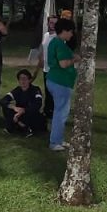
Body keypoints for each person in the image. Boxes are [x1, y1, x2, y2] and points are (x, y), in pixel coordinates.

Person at [45, 18, 77, 151]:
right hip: (60, 82)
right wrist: (75, 59)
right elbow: (63, 64)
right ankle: (55, 142)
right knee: (61, 113)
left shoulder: (55, 42)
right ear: (64, 31)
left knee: (61, 112)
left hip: (56, 80)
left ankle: (58, 139)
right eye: (71, 31)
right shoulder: (59, 44)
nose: (72, 34)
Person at [0, 69, 45, 136]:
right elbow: (3, 100)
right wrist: (14, 107)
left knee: (33, 113)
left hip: (29, 113)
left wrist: (23, 110)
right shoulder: (17, 90)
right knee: (6, 107)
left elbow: (38, 104)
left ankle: (15, 126)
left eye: (25, 79)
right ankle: (21, 126)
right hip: (18, 113)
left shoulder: (35, 90)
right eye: (21, 79)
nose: (23, 81)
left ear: (29, 80)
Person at [37, 15, 57, 120]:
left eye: (55, 23)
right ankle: (47, 110)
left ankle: (52, 112)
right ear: (48, 23)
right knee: (48, 91)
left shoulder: (59, 37)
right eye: (51, 22)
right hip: (46, 68)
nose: (53, 25)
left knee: (53, 92)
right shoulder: (46, 35)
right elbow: (43, 48)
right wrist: (41, 59)